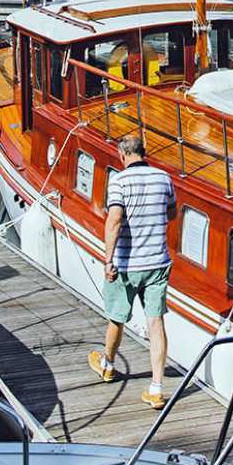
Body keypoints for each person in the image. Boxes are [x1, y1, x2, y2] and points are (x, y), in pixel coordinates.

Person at [89, 134, 175, 409]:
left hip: (127, 264)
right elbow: (171, 213)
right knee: (156, 323)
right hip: (158, 262)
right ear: (143, 153)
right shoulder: (164, 178)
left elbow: (114, 221)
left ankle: (108, 365)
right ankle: (156, 388)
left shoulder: (119, 181)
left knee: (117, 318)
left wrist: (107, 261)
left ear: (123, 156)